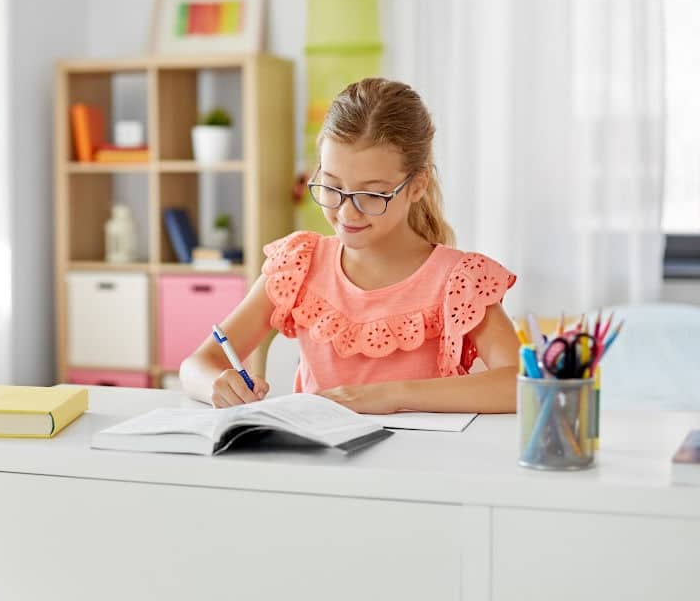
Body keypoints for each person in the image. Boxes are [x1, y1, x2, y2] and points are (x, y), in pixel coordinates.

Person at [180, 78, 520, 413]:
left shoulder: (460, 281)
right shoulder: (298, 264)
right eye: (331, 187)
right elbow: (197, 363)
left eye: (371, 194)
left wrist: (391, 395)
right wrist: (216, 384)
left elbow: (519, 384)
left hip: (420, 465)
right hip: (320, 465)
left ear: (417, 186)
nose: (346, 212)